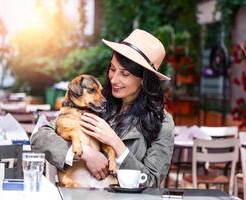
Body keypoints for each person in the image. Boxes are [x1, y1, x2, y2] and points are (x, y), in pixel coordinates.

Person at [31, 29, 174, 187]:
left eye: (124, 74)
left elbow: (151, 181)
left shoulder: (162, 122)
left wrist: (116, 144)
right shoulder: (95, 103)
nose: (114, 79)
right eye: (112, 69)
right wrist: (85, 153)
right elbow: (40, 137)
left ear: (143, 80)